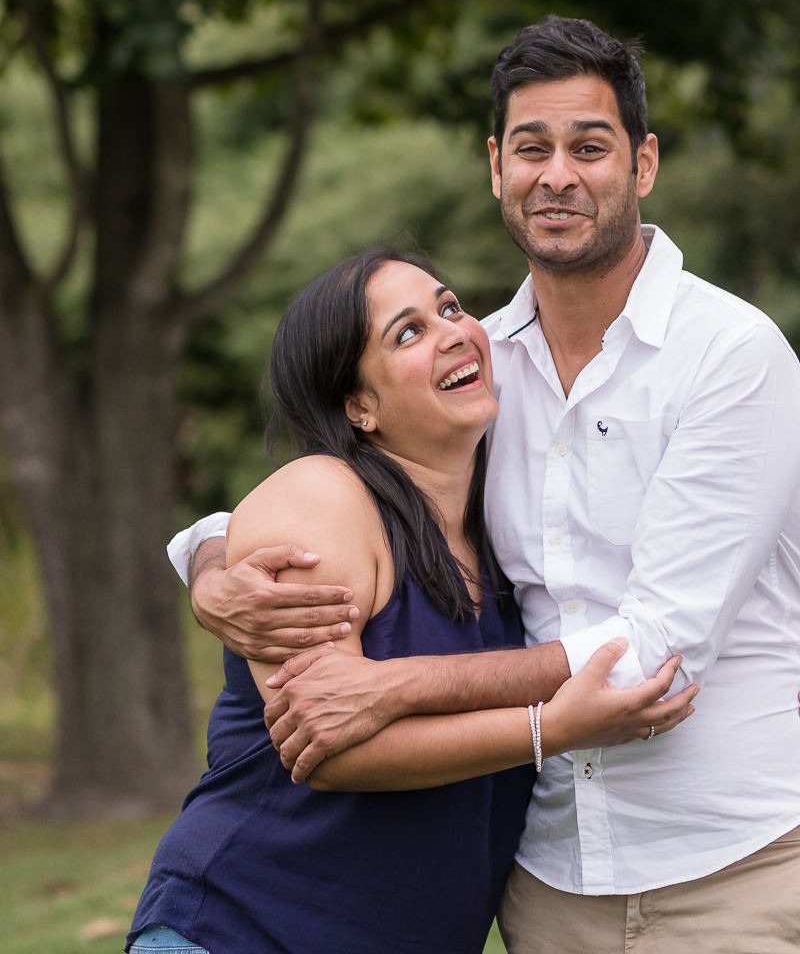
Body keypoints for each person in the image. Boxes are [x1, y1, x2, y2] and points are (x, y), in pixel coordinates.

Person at [175, 16, 800, 954]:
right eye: (530, 148)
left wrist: (388, 688)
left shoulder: (731, 355)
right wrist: (211, 559)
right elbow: (350, 481)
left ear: (644, 166)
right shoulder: (485, 370)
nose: (558, 175)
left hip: (731, 866)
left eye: (590, 146)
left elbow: (657, 645)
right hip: (548, 884)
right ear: (495, 167)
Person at [128, 246, 693, 954]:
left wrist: (204, 556)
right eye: (409, 331)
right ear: (358, 405)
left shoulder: (499, 511)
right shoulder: (324, 497)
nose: (455, 330)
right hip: (247, 926)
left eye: (450, 307)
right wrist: (550, 727)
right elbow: (326, 750)